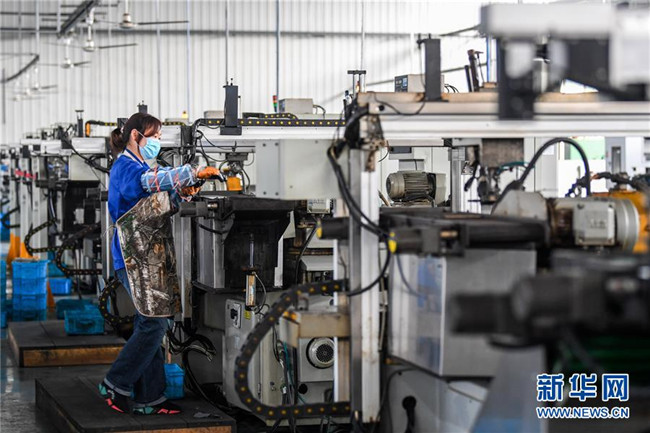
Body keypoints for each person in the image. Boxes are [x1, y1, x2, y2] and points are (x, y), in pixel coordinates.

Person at [98, 112, 218, 415]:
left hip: (148, 257)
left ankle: (149, 397)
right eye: (155, 136)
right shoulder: (125, 167)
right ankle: (115, 382)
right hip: (132, 257)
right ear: (135, 136)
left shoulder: (142, 166)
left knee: (150, 321)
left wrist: (184, 192)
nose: (158, 142)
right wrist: (190, 172)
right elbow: (147, 184)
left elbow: (157, 203)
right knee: (155, 322)